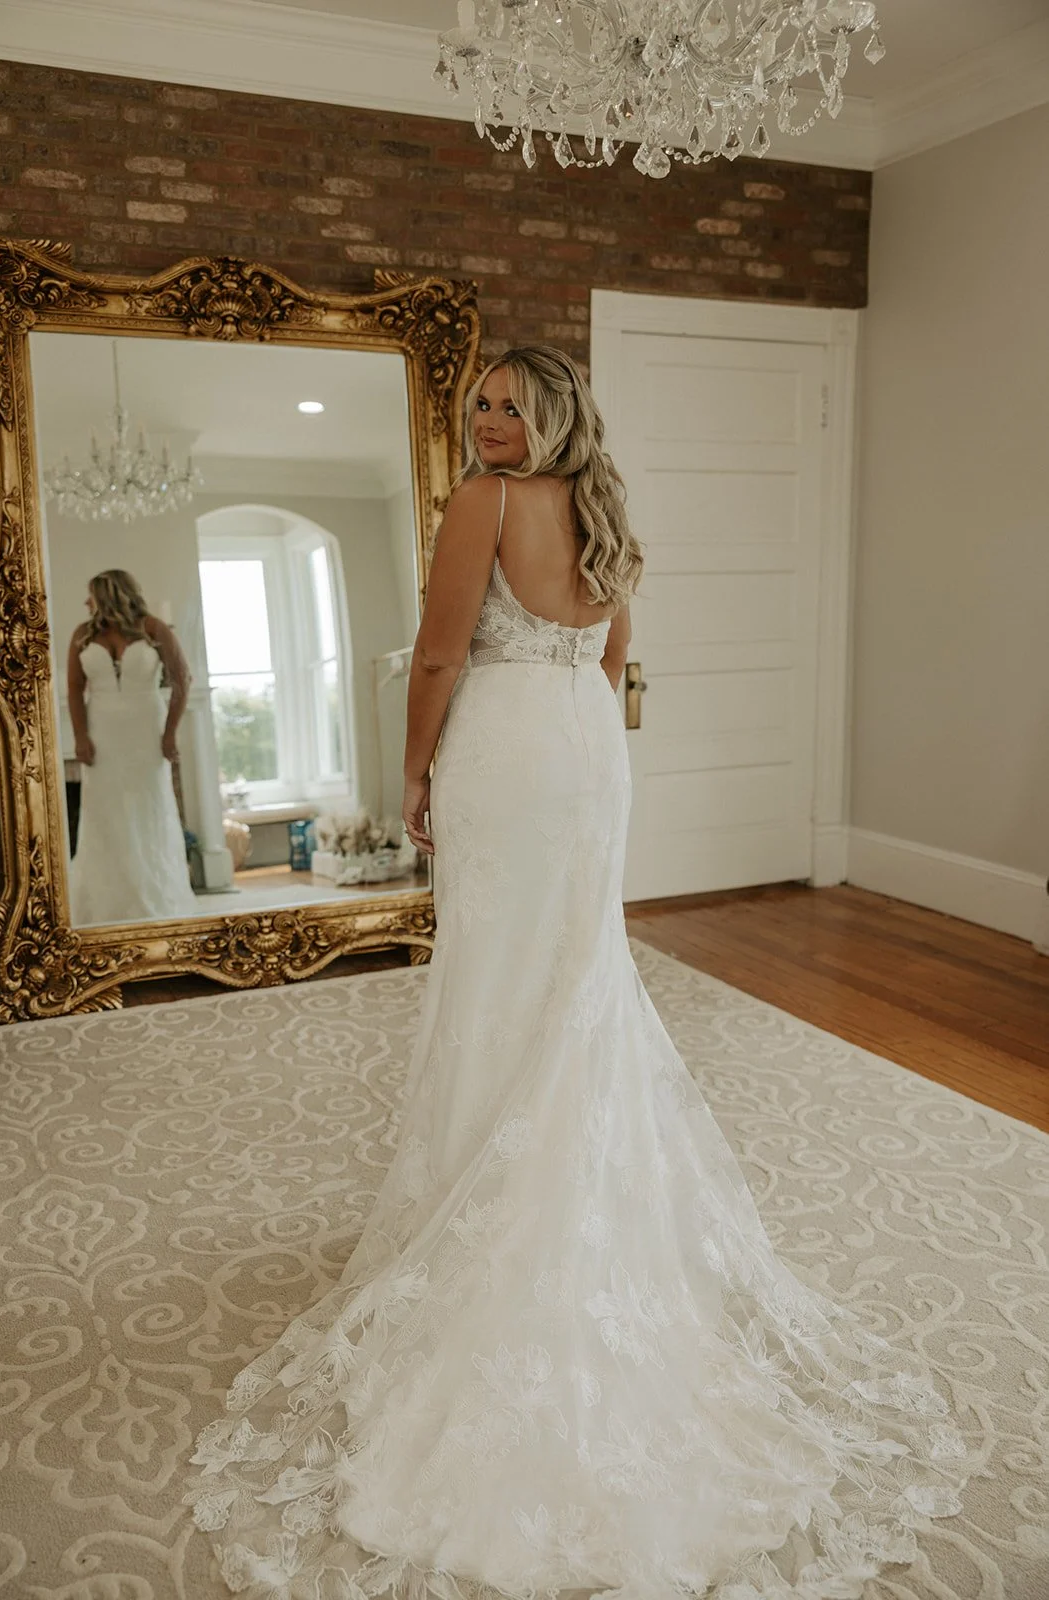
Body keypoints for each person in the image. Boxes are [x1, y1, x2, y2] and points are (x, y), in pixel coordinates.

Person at [185, 348, 970, 1599]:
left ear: (551, 415)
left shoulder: (482, 502)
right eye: (480, 406)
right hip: (585, 753)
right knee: (574, 976)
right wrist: (578, 745)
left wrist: (412, 775)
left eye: (511, 405)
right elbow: (606, 664)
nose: (490, 423)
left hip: (503, 746)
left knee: (502, 983)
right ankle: (558, 1181)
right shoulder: (603, 507)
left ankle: (493, 1209)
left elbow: (439, 659)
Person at [67, 568, 197, 925]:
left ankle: (156, 901)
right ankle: (106, 907)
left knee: (148, 811)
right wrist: (80, 736)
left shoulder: (153, 628)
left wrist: (170, 733)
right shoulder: (82, 634)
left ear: (109, 595)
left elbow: (183, 679)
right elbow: (75, 689)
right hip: (102, 733)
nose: (86, 602)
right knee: (105, 814)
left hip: (145, 732)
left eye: (91, 594)